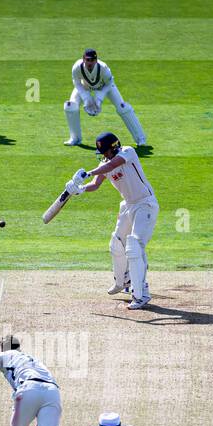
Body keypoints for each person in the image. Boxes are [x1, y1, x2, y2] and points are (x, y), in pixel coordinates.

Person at [63, 131, 158, 309]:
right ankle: (123, 280)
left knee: (135, 246)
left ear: (114, 148)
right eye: (103, 153)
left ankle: (142, 294)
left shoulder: (128, 152)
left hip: (145, 204)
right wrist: (80, 189)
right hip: (128, 205)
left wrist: (88, 172)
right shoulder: (105, 163)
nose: (104, 156)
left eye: (106, 152)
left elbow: (113, 165)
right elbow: (96, 184)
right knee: (116, 242)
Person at [63, 48, 146, 147]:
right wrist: (86, 98)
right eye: (87, 60)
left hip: (105, 86)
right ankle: (75, 138)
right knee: (70, 106)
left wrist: (99, 99)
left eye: (92, 60)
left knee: (123, 107)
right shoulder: (77, 67)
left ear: (96, 60)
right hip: (85, 85)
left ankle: (140, 139)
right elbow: (76, 82)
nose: (90, 63)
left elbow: (109, 83)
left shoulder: (103, 68)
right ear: (83, 59)